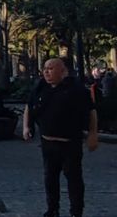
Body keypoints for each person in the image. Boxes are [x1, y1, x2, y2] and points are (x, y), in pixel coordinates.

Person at [23, 58, 98, 217]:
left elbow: (91, 111)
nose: (46, 72)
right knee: (50, 179)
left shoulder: (76, 90)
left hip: (69, 144)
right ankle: (52, 209)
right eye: (45, 68)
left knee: (74, 179)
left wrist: (93, 134)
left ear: (63, 71)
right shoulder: (40, 88)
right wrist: (26, 126)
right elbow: (29, 107)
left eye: (51, 68)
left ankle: (76, 212)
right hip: (47, 142)